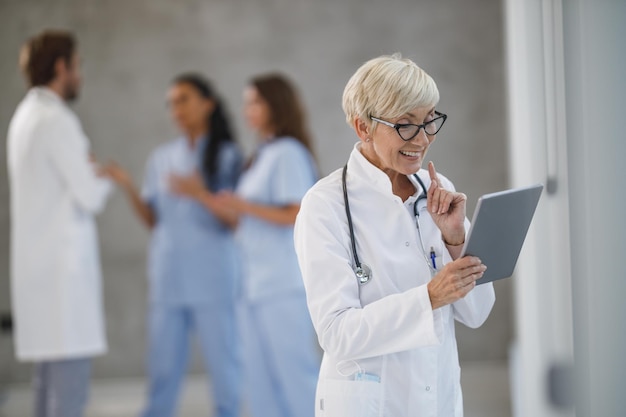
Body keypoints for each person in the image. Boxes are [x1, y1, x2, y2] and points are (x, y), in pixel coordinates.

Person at [293, 54, 496, 417]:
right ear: (362, 127)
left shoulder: (438, 191)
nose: (422, 138)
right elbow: (337, 334)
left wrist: (454, 242)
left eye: (429, 120)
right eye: (406, 124)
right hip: (369, 403)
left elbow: (477, 312)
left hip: (438, 400)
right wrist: (429, 298)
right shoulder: (325, 205)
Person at [172, 73, 320, 417]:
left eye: (254, 102)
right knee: (259, 382)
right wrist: (203, 197)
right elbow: (243, 222)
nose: (246, 110)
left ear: (275, 105)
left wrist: (242, 205)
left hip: (281, 284)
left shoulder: (288, 153)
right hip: (251, 285)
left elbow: (297, 212)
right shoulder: (262, 155)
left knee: (295, 376)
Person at [102, 74, 243, 417]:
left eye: (183, 99)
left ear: (207, 104)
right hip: (169, 277)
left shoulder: (227, 156)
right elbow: (154, 221)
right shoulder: (161, 158)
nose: (175, 109)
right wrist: (128, 186)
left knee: (225, 366)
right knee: (162, 366)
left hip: (213, 277)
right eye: (171, 102)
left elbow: (237, 221)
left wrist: (199, 194)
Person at [7, 30, 112, 417]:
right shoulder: (57, 119)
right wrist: (102, 174)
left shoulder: (24, 118)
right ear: (60, 67)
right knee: (67, 394)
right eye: (77, 65)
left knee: (46, 389)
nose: (79, 74)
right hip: (63, 281)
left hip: (39, 276)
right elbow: (89, 193)